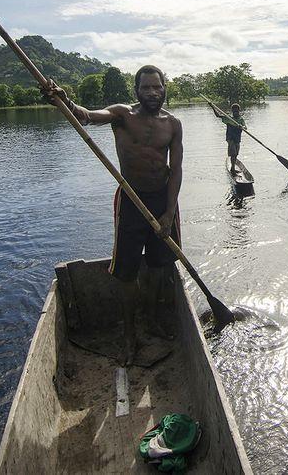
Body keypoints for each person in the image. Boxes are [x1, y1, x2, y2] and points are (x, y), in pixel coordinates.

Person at [42, 65, 182, 365]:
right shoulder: (123, 115)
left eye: (157, 87)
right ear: (137, 91)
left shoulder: (173, 124)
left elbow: (177, 170)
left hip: (162, 202)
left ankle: (153, 319)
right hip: (131, 199)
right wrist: (64, 101)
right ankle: (129, 334)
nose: (153, 93)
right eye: (146, 88)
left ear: (164, 88)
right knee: (126, 273)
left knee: (160, 267)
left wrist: (170, 213)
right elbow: (87, 116)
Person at [210, 102, 245, 173]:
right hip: (230, 138)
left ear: (239, 111)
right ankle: (233, 169)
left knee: (236, 154)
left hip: (237, 138)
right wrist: (212, 106)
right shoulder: (228, 118)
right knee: (233, 153)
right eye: (234, 111)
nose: (235, 113)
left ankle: (233, 167)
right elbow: (218, 115)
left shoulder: (241, 120)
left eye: (237, 111)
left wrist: (242, 127)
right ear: (232, 111)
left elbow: (245, 127)